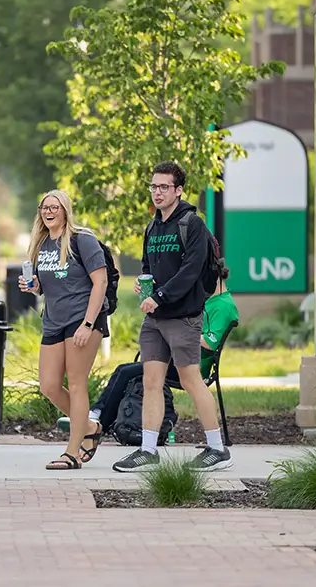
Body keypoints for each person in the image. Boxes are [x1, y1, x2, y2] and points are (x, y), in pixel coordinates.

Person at [113, 161, 233, 473]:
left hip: (183, 316)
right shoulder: (152, 227)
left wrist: (161, 297)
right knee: (151, 380)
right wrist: (144, 282)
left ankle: (217, 449)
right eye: (154, 186)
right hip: (154, 319)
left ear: (178, 190)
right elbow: (147, 265)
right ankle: (148, 450)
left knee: (191, 379)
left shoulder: (192, 224)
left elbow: (190, 271)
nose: (157, 192)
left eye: (164, 187)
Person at [85, 266, 238, 436]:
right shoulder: (209, 300)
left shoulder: (223, 305)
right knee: (123, 369)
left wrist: (174, 335)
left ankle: (98, 425)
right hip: (177, 357)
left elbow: (210, 343)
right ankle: (96, 414)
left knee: (127, 372)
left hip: (191, 365)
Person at [19, 190, 108, 470]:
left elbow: (101, 282)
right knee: (48, 385)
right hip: (54, 320)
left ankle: (72, 452)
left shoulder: (83, 239)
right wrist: (34, 287)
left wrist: (88, 324)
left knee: (77, 383)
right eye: (44, 207)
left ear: (65, 210)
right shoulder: (42, 244)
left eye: (54, 207)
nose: (49, 211)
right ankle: (91, 427)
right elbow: (48, 284)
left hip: (83, 319)